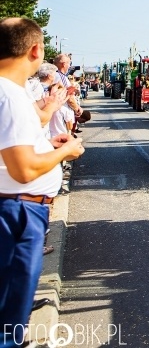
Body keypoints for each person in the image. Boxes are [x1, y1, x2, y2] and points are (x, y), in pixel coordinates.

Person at [0, 18, 84, 346]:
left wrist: (48, 146)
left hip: (16, 207)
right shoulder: (10, 96)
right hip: (17, 212)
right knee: (9, 316)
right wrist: (67, 152)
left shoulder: (10, 92)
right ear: (35, 50)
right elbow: (22, 169)